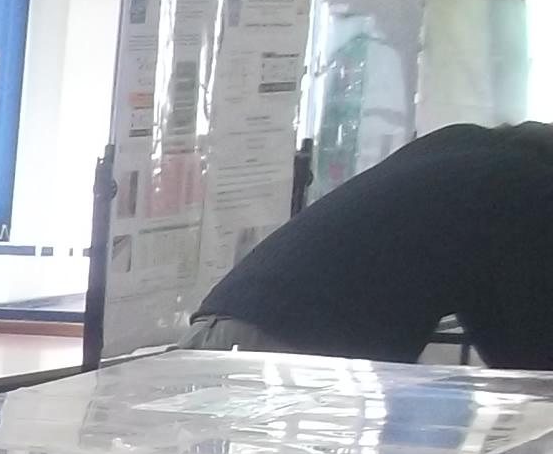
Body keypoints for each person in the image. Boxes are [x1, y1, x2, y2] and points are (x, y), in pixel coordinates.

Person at [188, 122, 553, 368]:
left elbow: (495, 308)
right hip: (292, 352)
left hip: (222, 329)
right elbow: (528, 348)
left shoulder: (465, 148)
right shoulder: (530, 188)